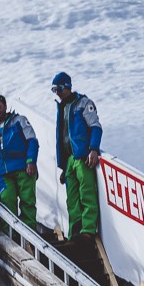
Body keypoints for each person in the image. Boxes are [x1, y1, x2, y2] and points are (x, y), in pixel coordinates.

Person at [52, 71, 103, 243]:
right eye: (54, 90)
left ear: (67, 86)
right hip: (69, 160)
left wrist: (93, 149)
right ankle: (74, 233)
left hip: (82, 156)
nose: (57, 93)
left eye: (58, 89)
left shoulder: (83, 103)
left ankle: (87, 230)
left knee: (86, 193)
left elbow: (95, 127)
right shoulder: (62, 108)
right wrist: (63, 166)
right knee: (72, 199)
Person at [0, 94, 40, 228]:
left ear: (5, 106)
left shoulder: (19, 121)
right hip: (4, 174)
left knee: (28, 203)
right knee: (7, 203)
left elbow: (32, 141)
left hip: (24, 169)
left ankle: (30, 235)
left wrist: (31, 161)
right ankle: (12, 236)